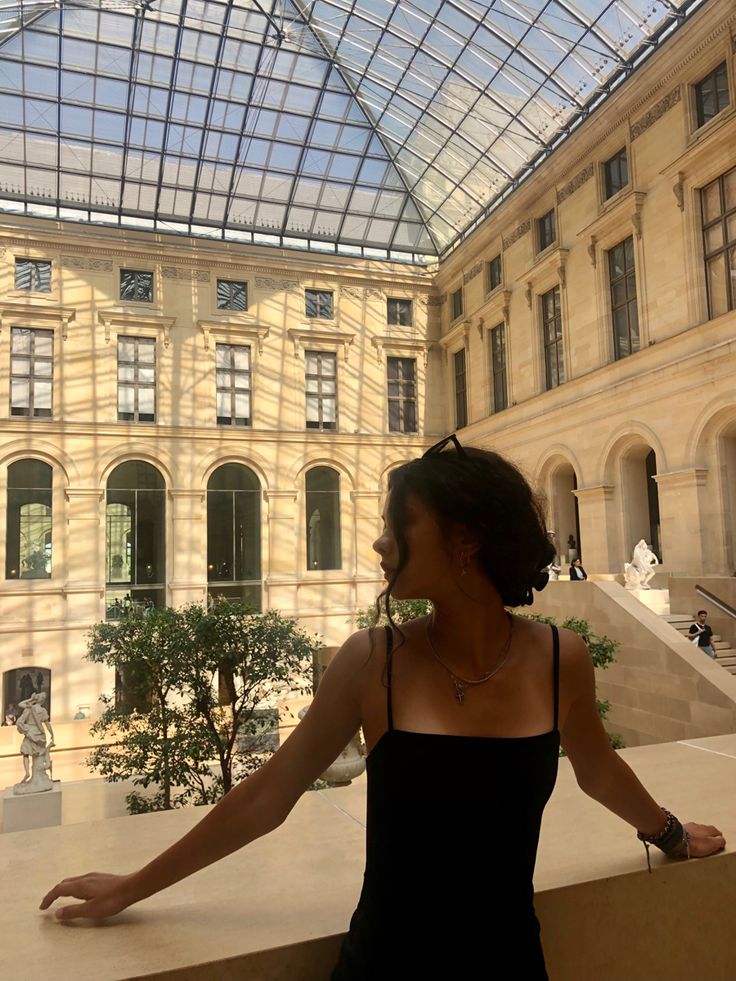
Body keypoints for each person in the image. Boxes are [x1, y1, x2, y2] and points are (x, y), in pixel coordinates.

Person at [39, 437, 725, 979]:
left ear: (465, 542)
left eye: (398, 523)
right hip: (384, 968)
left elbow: (598, 770)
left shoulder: (559, 656)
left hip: (508, 965)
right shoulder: (371, 659)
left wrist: (669, 834)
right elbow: (267, 796)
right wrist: (133, 884)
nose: (379, 542)